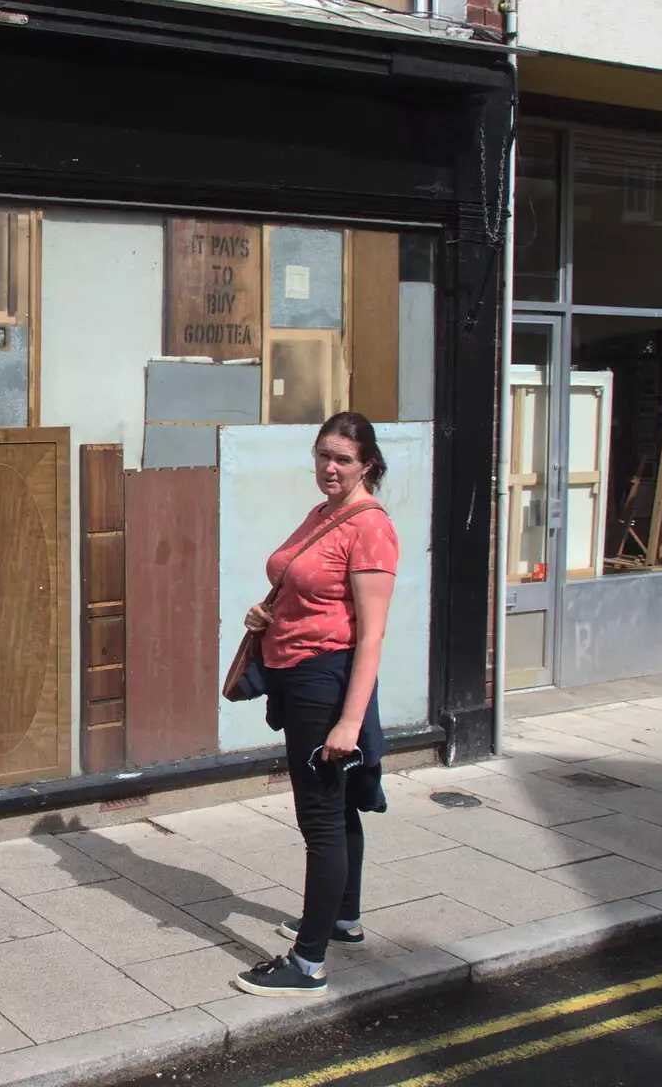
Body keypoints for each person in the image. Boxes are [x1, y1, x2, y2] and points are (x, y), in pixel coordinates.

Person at [232, 411, 398, 998]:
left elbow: (371, 635)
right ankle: (344, 919)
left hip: (324, 683)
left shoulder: (370, 527)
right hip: (297, 673)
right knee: (338, 808)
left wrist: (349, 721)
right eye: (323, 455)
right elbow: (306, 586)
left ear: (368, 465)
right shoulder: (325, 513)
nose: (329, 467)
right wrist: (269, 615)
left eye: (343, 460)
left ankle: (307, 965)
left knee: (321, 819)